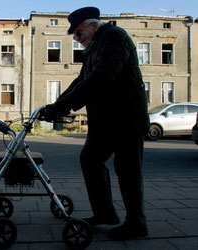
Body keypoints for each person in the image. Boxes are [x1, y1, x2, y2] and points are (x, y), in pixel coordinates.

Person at [45, 7, 150, 240]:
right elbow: (81, 80)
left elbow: (101, 76)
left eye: (79, 32)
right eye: (74, 35)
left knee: (128, 170)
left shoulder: (115, 37)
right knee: (90, 159)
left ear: (94, 25)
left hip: (127, 117)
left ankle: (136, 224)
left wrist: (64, 106)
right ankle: (105, 214)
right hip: (106, 120)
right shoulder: (94, 47)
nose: (77, 39)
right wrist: (56, 105)